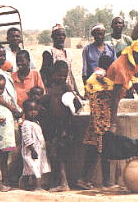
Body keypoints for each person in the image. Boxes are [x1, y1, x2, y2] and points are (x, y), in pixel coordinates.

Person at [76, 55, 114, 190]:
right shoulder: (100, 76)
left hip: (96, 121)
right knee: (101, 150)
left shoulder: (93, 77)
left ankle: (86, 179)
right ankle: (99, 181)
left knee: (94, 150)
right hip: (100, 121)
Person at [106, 37, 138, 131]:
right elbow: (114, 98)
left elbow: (137, 83)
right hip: (106, 99)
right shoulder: (120, 68)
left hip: (117, 95)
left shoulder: (133, 61)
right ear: (136, 54)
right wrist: (113, 124)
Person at [43, 60, 75, 192]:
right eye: (59, 75)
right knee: (54, 155)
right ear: (53, 74)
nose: (62, 78)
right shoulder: (50, 87)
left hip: (64, 126)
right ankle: (57, 181)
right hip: (53, 126)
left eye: (64, 75)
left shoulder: (66, 88)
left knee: (60, 155)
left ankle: (64, 183)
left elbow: (75, 105)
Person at [40, 24, 80, 97]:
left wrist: (78, 93)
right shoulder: (49, 53)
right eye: (58, 35)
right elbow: (44, 74)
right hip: (56, 92)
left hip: (69, 90)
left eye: (63, 35)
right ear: (52, 37)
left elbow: (70, 75)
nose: (61, 37)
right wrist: (48, 92)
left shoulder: (68, 53)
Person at [20, 99, 51, 191]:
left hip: (39, 150)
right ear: (25, 111)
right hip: (31, 151)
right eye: (30, 110)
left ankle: (24, 184)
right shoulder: (26, 124)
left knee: (31, 169)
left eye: (35, 110)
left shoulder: (36, 122)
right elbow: (27, 138)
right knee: (34, 168)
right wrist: (32, 150)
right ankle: (38, 186)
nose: (34, 112)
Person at [105, 17, 134, 99]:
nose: (118, 25)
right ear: (111, 26)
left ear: (123, 25)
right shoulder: (105, 39)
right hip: (109, 75)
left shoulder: (127, 40)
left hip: (124, 76)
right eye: (115, 23)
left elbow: (132, 60)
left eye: (120, 23)